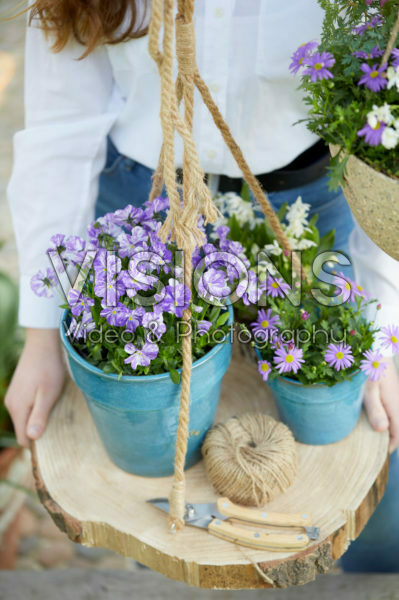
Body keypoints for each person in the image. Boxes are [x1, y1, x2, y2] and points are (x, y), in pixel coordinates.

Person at [5, 0, 399, 570]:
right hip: (145, 206)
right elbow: (59, 126)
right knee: (162, 488)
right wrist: (43, 333)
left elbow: (385, 141)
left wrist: (385, 325)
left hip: (312, 205)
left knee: (365, 483)